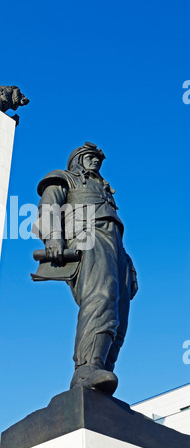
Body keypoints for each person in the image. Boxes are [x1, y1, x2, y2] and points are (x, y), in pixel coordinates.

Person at [32, 142, 138, 395]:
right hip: (86, 237)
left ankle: (103, 370)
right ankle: (86, 370)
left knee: (120, 312)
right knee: (99, 297)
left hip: (115, 246)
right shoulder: (64, 178)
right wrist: (54, 237)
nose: (95, 162)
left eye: (98, 159)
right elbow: (48, 208)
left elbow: (115, 230)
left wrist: (128, 264)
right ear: (77, 159)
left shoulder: (104, 189)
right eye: (90, 157)